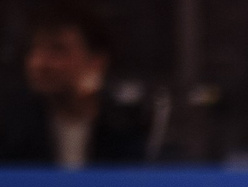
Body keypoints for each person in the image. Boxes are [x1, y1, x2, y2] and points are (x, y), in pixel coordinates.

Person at [1, 9, 156, 168]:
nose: (39, 63)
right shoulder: (11, 125)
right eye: (34, 50)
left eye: (58, 50)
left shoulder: (126, 125)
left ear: (96, 61)